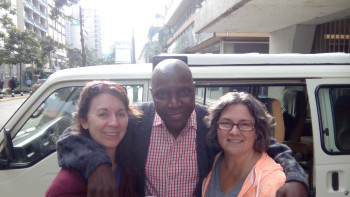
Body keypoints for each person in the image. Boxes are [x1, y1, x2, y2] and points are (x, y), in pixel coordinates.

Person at [56, 59, 308, 197]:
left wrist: (295, 177)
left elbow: (268, 144)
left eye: (184, 93)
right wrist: (97, 164)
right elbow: (73, 135)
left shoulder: (209, 122)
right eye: (164, 95)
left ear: (194, 90)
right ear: (153, 95)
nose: (175, 104)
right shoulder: (137, 121)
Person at [45, 81, 142, 197]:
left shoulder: (126, 163)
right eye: (103, 114)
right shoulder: (67, 185)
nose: (114, 123)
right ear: (84, 120)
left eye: (121, 114)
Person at [202, 92, 286, 197]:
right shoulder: (210, 161)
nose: (234, 132)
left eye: (245, 124)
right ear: (216, 127)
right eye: (226, 123)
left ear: (258, 130)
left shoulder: (271, 181)